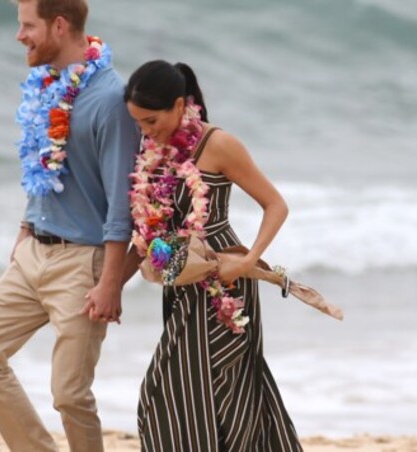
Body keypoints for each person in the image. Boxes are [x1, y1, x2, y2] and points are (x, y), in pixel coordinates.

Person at [0, 0, 139, 451]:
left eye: (27, 26)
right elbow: (47, 167)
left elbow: (121, 204)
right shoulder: (47, 84)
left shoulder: (112, 101)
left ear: (59, 26)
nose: (19, 36)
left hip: (82, 264)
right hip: (33, 251)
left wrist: (111, 282)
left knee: (70, 395)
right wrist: (24, 228)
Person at [122, 60, 302, 451]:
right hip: (179, 277)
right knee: (197, 392)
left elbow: (276, 204)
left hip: (224, 278)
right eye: (138, 123)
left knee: (188, 389)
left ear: (178, 105)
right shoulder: (156, 150)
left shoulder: (218, 144)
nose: (145, 132)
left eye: (151, 121)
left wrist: (248, 258)